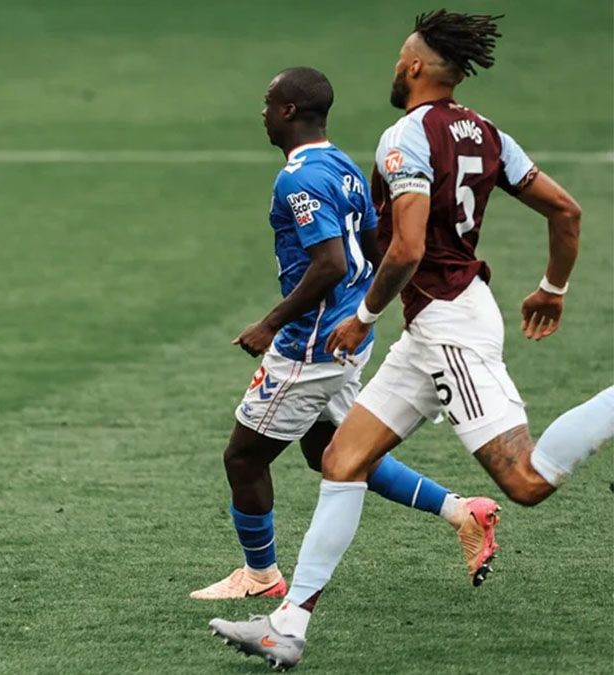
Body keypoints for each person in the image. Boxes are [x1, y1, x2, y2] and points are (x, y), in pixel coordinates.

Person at [210, 11, 613, 670]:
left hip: (449, 323)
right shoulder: (489, 133)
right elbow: (566, 210)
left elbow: (406, 247)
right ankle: (288, 626)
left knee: (526, 479)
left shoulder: (406, 136)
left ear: (418, 67)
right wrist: (552, 287)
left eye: (402, 57)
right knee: (341, 460)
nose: (396, 67)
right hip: (434, 325)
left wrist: (365, 315)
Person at [190, 67, 495, 602]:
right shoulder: (343, 166)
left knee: (243, 457)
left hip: (311, 346)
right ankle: (461, 511)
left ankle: (260, 576)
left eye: (268, 102)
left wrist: (270, 323)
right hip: (348, 337)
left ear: (288, 111)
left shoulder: (298, 178)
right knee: (331, 451)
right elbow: (375, 247)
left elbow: (330, 263)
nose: (262, 112)